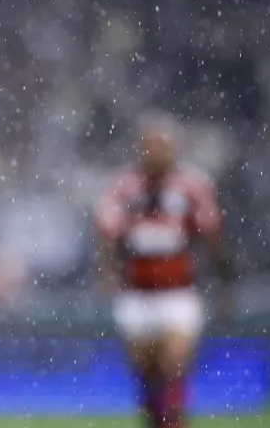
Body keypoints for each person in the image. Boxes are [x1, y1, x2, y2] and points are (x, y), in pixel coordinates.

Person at [94, 111, 234, 428]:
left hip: (178, 293)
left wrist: (225, 285)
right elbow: (107, 235)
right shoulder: (123, 187)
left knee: (173, 363)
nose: (154, 152)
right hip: (137, 295)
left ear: (173, 148)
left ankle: (174, 420)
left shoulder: (192, 186)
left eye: (161, 145)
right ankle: (158, 418)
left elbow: (212, 238)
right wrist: (105, 274)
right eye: (148, 145)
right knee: (145, 372)